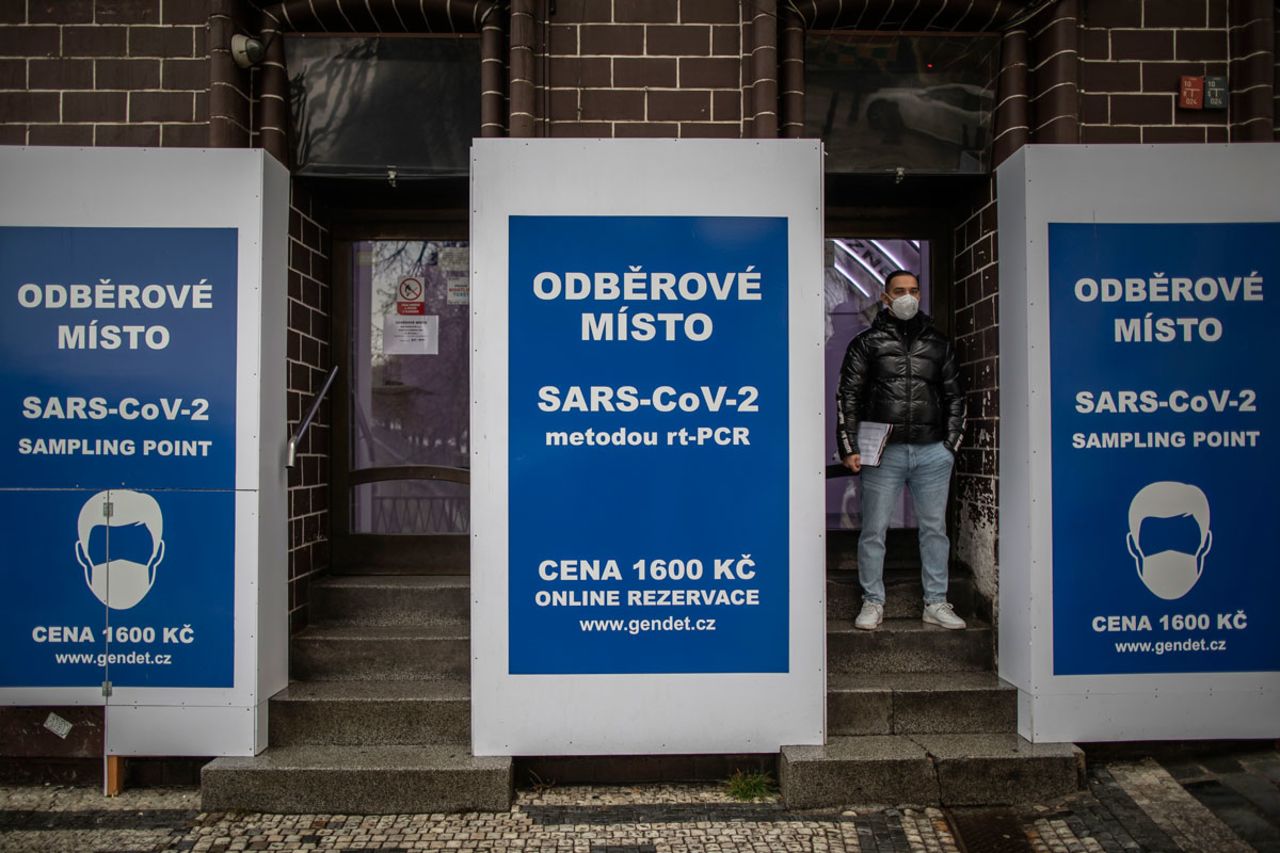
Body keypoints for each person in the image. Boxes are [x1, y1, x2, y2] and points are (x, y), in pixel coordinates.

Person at [836, 269, 966, 631]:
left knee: (934, 530)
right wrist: (848, 446)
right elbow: (848, 396)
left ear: (920, 295)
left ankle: (936, 602)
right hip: (884, 451)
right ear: (885, 297)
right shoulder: (867, 344)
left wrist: (950, 445)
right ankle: (873, 602)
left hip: (932, 452)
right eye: (899, 291)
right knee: (874, 530)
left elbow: (956, 397)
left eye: (913, 290)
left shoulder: (939, 345)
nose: (907, 297)